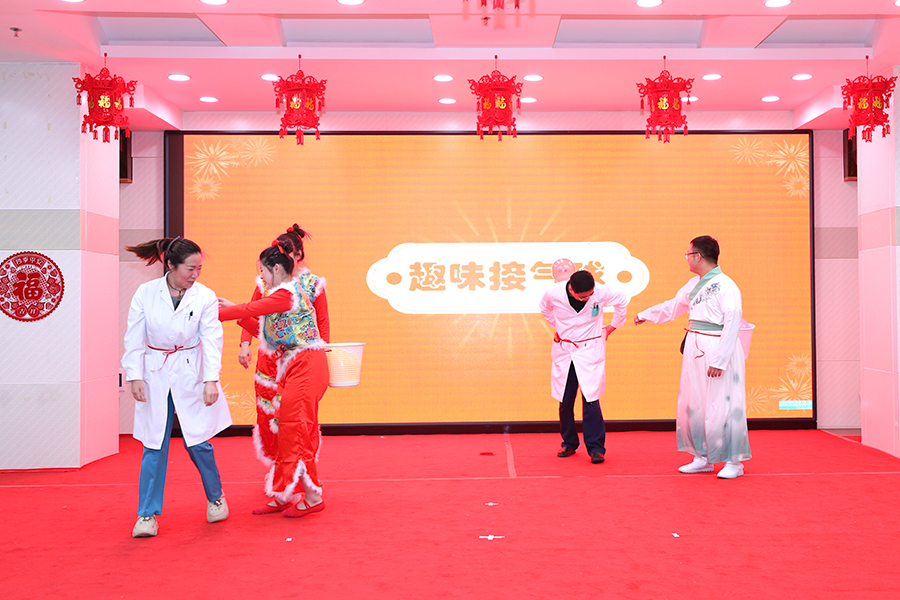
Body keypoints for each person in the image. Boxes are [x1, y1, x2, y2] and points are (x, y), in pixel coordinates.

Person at [122, 236, 233, 538]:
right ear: (170, 265)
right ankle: (146, 515)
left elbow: (212, 340)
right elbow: (133, 337)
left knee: (197, 442)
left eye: (199, 269)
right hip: (155, 373)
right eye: (190, 269)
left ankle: (216, 497)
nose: (195, 275)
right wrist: (134, 376)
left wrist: (211, 379)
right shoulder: (146, 293)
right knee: (153, 444)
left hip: (190, 372)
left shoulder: (205, 296)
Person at [219, 239, 330, 518]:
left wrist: (212, 312)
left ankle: (313, 495)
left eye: (263, 271)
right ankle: (285, 492)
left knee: (295, 430)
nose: (261, 277)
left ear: (277, 268)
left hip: (306, 366)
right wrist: (234, 313)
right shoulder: (280, 294)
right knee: (284, 430)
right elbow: (261, 329)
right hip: (290, 366)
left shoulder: (287, 294)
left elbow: (249, 310)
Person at [634, 235, 750, 479]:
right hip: (695, 345)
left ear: (698, 256)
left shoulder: (726, 285)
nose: (686, 258)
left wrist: (720, 360)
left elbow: (732, 322)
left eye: (688, 254)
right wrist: (646, 314)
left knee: (723, 402)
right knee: (695, 401)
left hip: (718, 346)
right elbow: (673, 306)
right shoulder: (692, 284)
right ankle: (702, 457)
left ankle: (734, 462)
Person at [236, 225, 329, 473]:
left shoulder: (312, 284)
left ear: (298, 255)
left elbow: (322, 325)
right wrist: (245, 344)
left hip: (299, 363)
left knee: (301, 418)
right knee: (269, 416)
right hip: (270, 361)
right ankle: (280, 468)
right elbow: (251, 310)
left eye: (287, 254)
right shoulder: (265, 281)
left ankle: (303, 470)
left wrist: (322, 362)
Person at [539, 270, 628, 464]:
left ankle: (596, 448)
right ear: (571, 290)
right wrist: (556, 326)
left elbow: (622, 300)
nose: (588, 299)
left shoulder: (601, 292)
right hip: (565, 350)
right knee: (565, 399)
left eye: (590, 295)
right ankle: (569, 443)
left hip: (589, 351)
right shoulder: (554, 293)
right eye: (583, 297)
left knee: (591, 399)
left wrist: (613, 326)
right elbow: (544, 308)